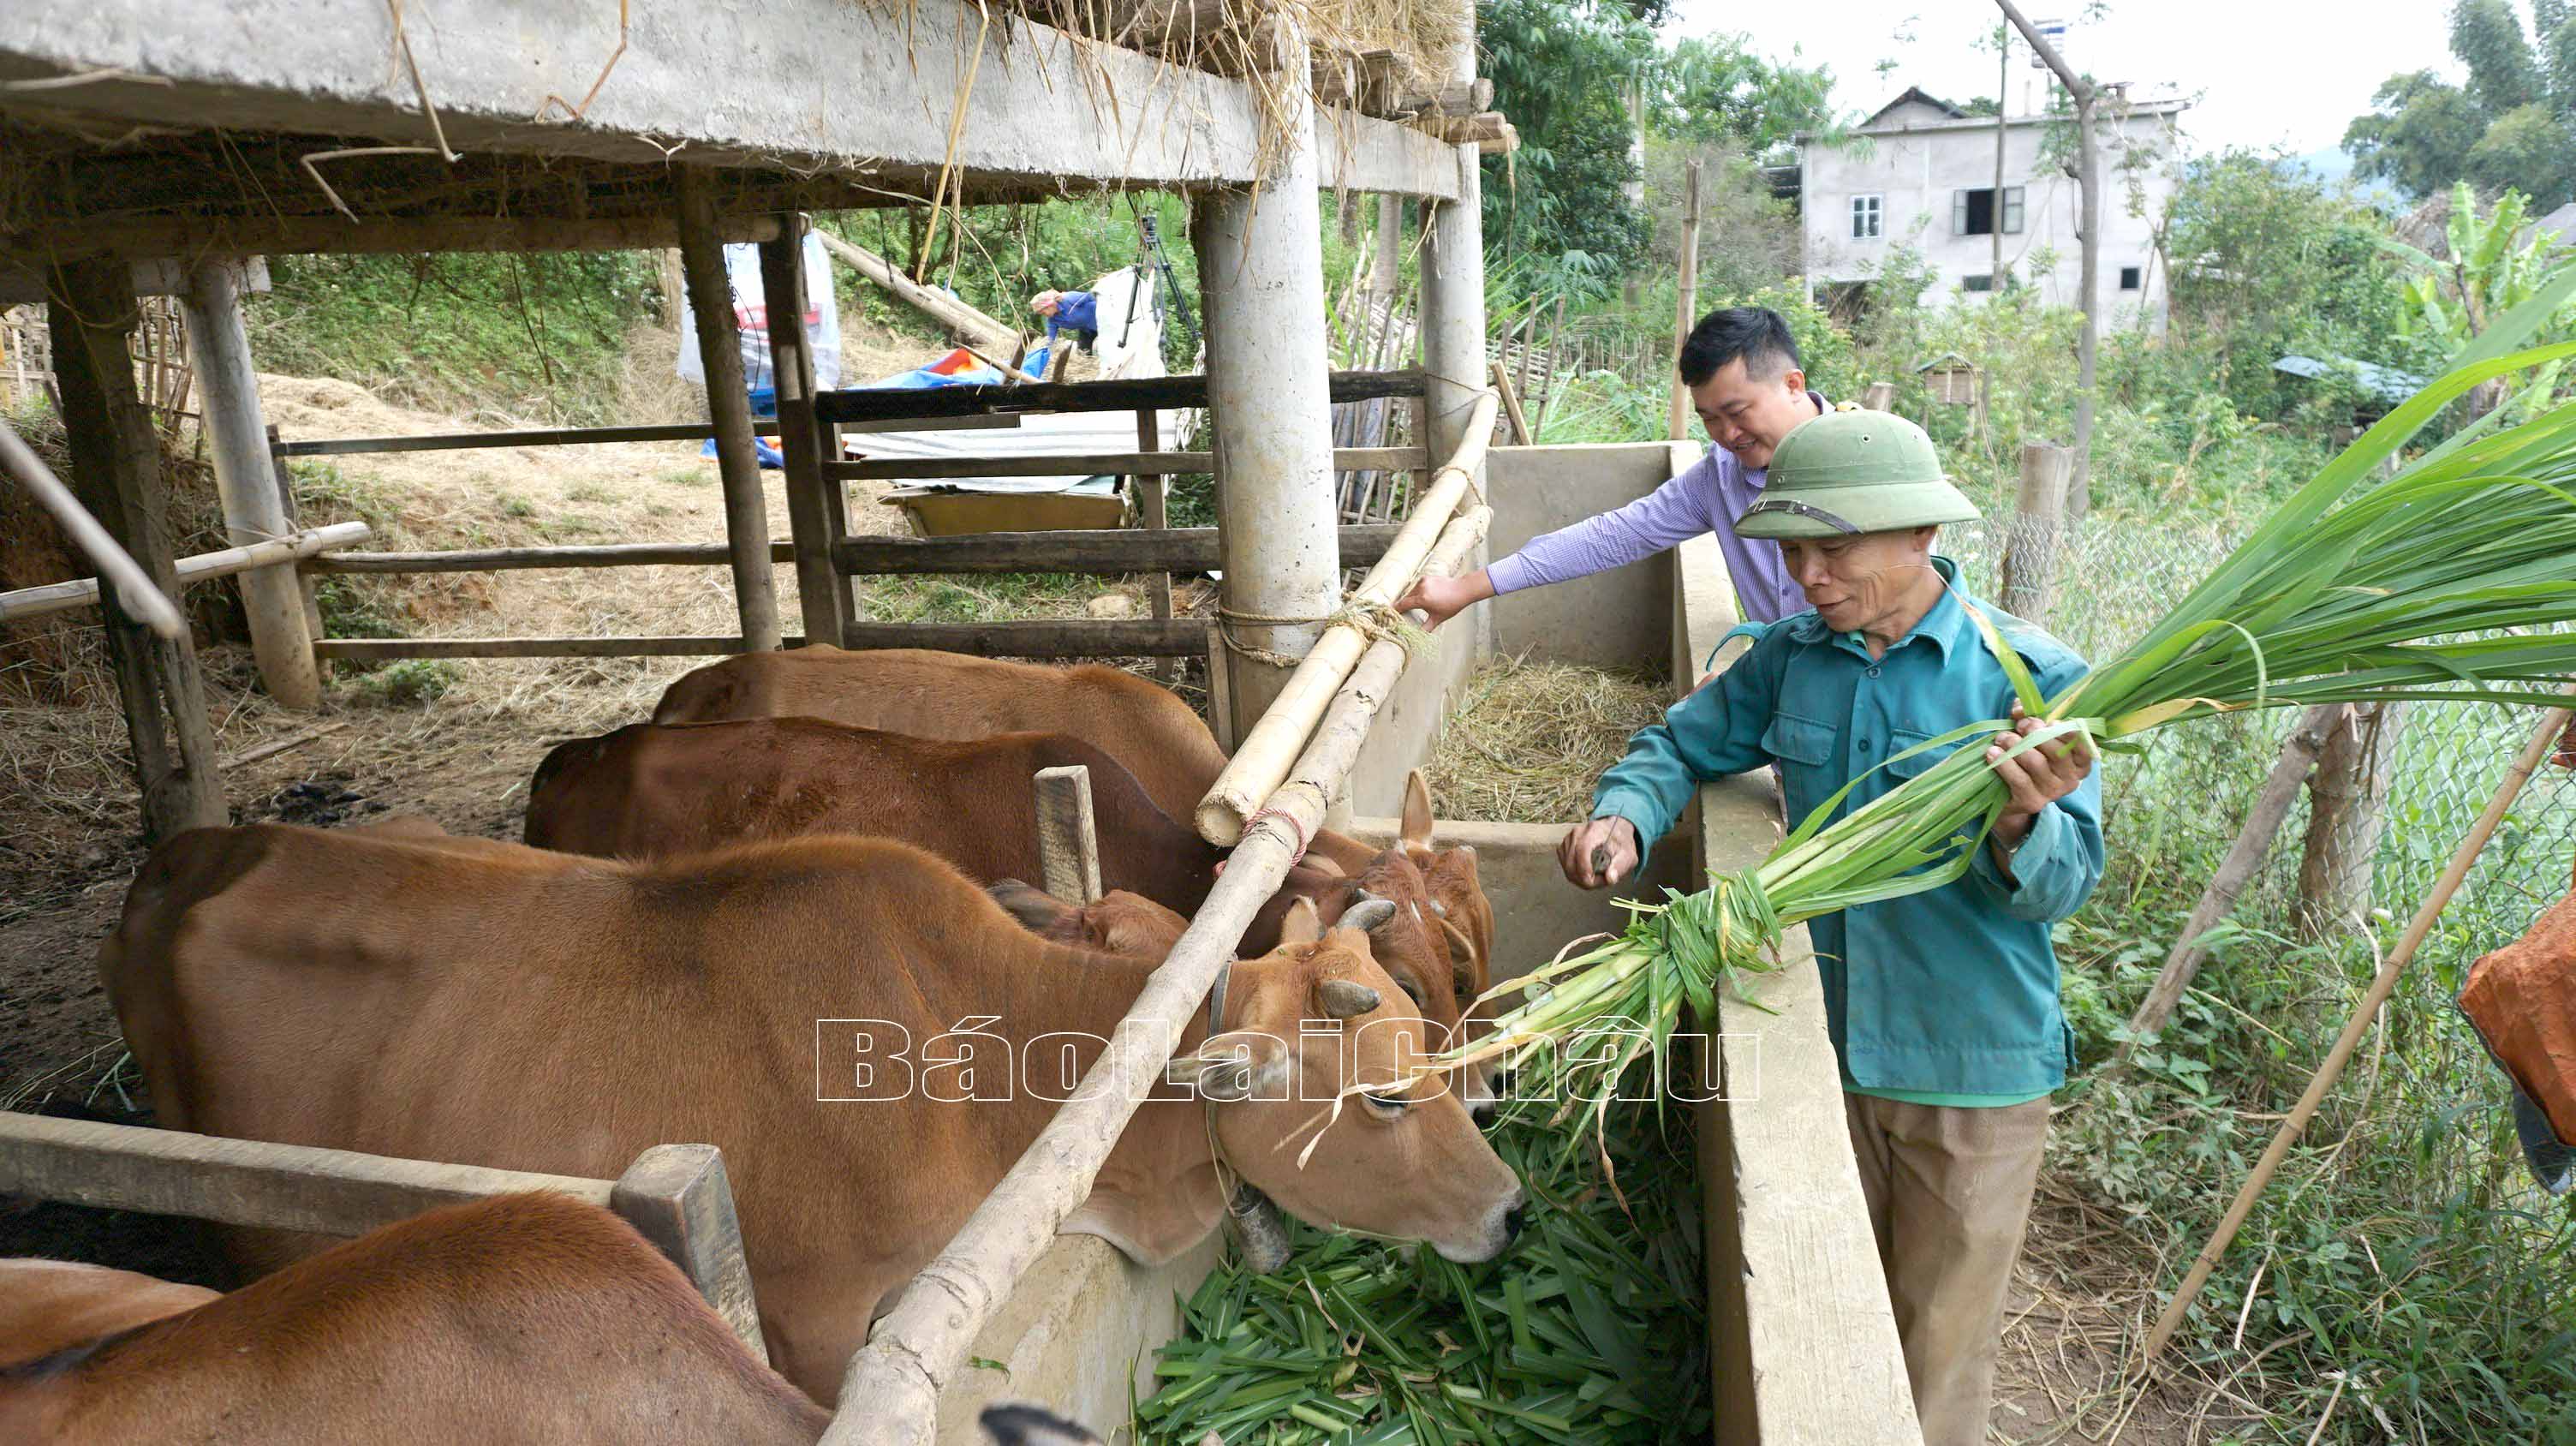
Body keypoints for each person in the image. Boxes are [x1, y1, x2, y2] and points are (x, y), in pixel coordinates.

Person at [1555, 409, 2103, 1446]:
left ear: (1919, 537)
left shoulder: (2028, 682)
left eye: (1833, 546)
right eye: (1791, 549)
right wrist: (1624, 811)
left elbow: (2060, 888)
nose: (1806, 573)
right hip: (1821, 1052)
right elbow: (1681, 740)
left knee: (1934, 1358)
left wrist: (2024, 817)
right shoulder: (1791, 659)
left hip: (1966, 1072)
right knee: (1831, 1326)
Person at [1395, 306, 1830, 630]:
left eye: (1737, 412)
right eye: (1710, 419)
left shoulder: (1878, 460)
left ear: (1793, 385)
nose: (1728, 433)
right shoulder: (1720, 477)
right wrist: (1466, 588)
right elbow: (1613, 535)